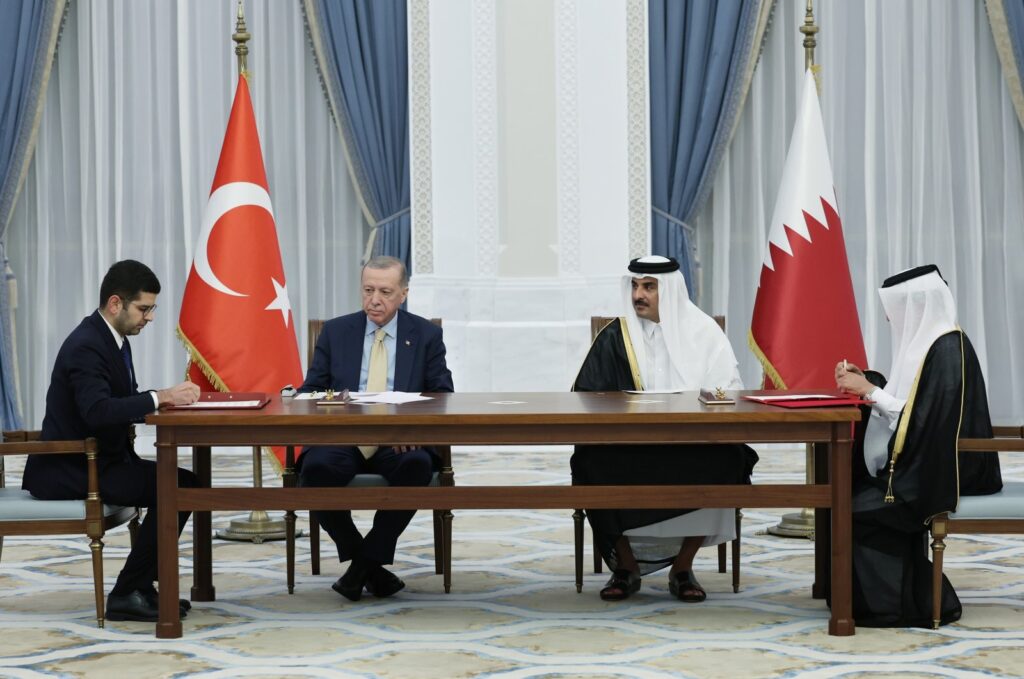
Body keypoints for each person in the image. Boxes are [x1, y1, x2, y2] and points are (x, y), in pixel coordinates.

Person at [22, 260, 201, 622]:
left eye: (152, 309)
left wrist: (162, 401)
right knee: (179, 486)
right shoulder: (86, 345)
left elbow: (119, 403)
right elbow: (98, 412)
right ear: (116, 304)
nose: (149, 317)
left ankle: (138, 587)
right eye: (144, 308)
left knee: (185, 482)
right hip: (73, 466)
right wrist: (159, 396)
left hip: (105, 460)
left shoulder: (113, 339)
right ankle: (126, 593)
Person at [571, 255, 757, 602]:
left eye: (649, 287)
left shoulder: (704, 333)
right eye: (635, 286)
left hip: (691, 441)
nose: (638, 295)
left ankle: (682, 568)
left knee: (728, 460)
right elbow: (586, 396)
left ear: (669, 291)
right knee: (589, 462)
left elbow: (727, 390)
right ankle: (626, 567)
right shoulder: (616, 335)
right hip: (628, 444)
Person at [835, 264, 1002, 627]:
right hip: (927, 459)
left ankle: (896, 606)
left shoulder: (947, 348)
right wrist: (871, 384)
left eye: (893, 308)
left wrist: (871, 392)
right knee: (852, 495)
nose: (887, 317)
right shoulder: (929, 344)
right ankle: (883, 598)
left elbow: (928, 423)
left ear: (914, 305)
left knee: (859, 507)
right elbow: (914, 407)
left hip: (953, 468)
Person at [297, 255, 454, 602]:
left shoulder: (426, 335)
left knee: (416, 465)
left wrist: (408, 432)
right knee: (316, 469)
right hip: (344, 437)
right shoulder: (336, 332)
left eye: (385, 291)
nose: (374, 300)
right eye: (368, 290)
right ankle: (369, 566)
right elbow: (310, 392)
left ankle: (360, 569)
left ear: (403, 294)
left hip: (398, 441)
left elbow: (441, 396)